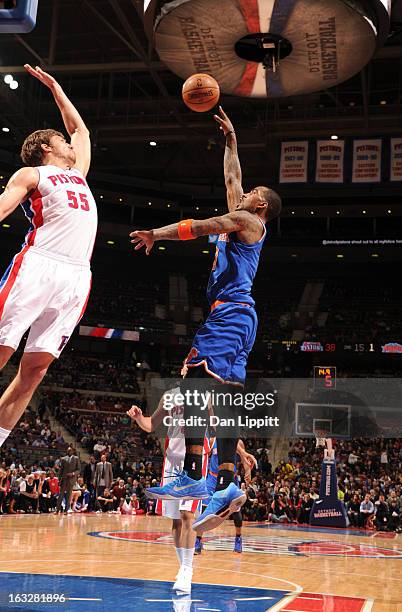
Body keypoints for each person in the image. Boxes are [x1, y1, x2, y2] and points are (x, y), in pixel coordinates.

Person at [131, 106, 281, 533]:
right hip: (240, 316)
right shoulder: (247, 215)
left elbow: (201, 225)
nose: (245, 190)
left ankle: (196, 478)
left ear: (262, 205)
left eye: (253, 191)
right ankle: (229, 483)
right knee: (227, 394)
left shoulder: (247, 219)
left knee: (194, 378)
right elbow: (233, 177)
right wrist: (232, 139)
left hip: (230, 313)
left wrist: (156, 235)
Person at [0, 65, 97, 450]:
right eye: (62, 141)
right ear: (46, 148)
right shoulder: (32, 174)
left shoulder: (80, 174)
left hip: (76, 277)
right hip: (39, 265)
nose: (70, 145)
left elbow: (81, 131)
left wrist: (57, 88)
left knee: (34, 372)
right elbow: (5, 206)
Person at [55, 446, 80, 514]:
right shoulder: (63, 459)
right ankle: (57, 510)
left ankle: (66, 510)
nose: (69, 451)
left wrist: (72, 473)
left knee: (69, 496)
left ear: (73, 451)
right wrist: (59, 479)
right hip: (64, 479)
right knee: (61, 495)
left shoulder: (76, 458)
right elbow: (61, 470)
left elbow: (78, 470)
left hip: (71, 479)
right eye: (68, 450)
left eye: (70, 450)